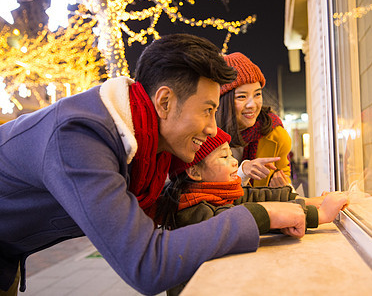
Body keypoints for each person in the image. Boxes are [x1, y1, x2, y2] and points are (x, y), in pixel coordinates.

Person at [0, 33, 310, 296]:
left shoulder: (150, 144)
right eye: (207, 110)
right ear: (164, 102)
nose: (214, 129)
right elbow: (146, 264)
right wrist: (260, 216)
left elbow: (193, 203)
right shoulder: (80, 138)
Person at [157, 127, 349, 295]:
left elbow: (260, 197)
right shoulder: (191, 208)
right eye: (224, 157)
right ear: (195, 172)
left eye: (231, 154)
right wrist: (320, 216)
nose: (235, 162)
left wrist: (313, 202)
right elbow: (242, 220)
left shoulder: (218, 191)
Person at [216, 52, 292, 187]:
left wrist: (280, 186)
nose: (252, 105)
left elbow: (285, 178)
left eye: (257, 94)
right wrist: (243, 172)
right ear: (222, 101)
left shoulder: (275, 134)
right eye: (241, 97)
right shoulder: (206, 137)